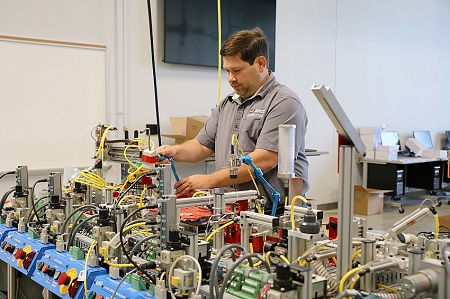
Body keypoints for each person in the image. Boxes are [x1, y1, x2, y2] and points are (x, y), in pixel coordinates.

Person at [157, 27, 309, 214]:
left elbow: (264, 159)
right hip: (229, 211)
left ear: (261, 64)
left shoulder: (284, 102)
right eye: (227, 71)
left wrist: (209, 180)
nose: (231, 78)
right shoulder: (228, 104)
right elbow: (201, 146)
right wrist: (175, 151)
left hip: (270, 213)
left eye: (237, 70)